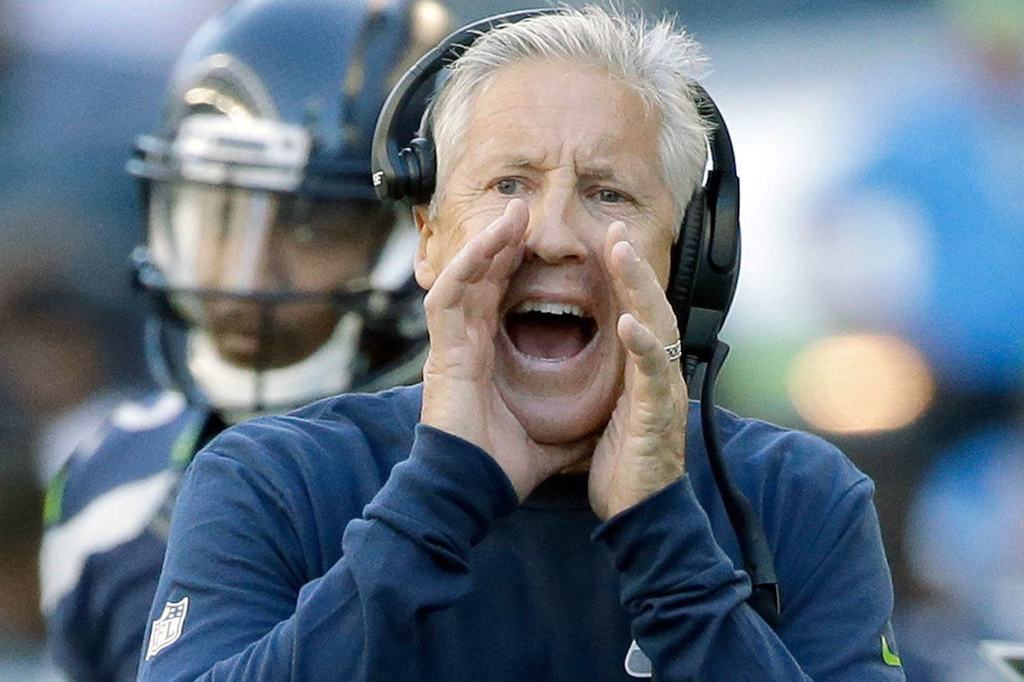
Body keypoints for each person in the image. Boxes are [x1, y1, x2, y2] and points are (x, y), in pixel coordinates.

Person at [138, 7, 905, 680]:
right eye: (509, 185)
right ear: (429, 238)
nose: (553, 234)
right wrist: (439, 493)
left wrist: (663, 537)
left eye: (608, 193)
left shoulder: (802, 498)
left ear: (687, 259)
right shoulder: (273, 480)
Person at [37, 0, 449, 679]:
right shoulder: (109, 482)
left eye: (311, 226)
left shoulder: (485, 475)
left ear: (419, 233)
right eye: (221, 216)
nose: (247, 276)